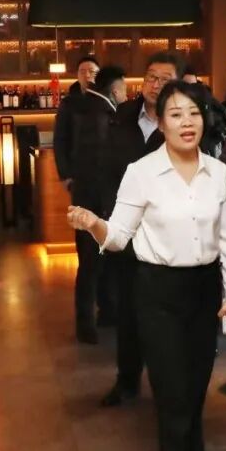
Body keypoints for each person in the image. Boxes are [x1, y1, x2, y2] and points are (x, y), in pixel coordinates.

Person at [68, 80, 226, 451]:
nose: (187, 122)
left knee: (191, 394)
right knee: (172, 395)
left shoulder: (217, 172)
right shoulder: (142, 172)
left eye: (194, 113)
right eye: (176, 114)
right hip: (157, 293)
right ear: (160, 123)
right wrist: (94, 224)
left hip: (203, 290)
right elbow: (119, 237)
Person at [97, 52, 184, 407]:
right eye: (151, 77)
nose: (156, 85)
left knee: (166, 315)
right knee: (128, 312)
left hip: (168, 236)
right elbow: (106, 167)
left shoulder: (184, 121)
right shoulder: (121, 116)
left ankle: (170, 386)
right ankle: (127, 380)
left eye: (165, 79)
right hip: (127, 231)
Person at [53, 65, 126, 343]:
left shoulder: (93, 109)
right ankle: (87, 324)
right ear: (115, 89)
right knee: (92, 263)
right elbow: (99, 166)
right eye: (124, 88)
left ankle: (104, 313)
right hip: (97, 201)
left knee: (96, 262)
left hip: (90, 198)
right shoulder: (100, 115)